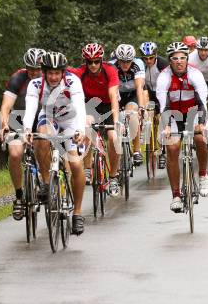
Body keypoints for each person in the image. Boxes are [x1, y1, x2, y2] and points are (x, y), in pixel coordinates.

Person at [23, 51, 87, 235]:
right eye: (49, 73)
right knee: (41, 137)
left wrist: (81, 130)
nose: (53, 77)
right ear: (44, 72)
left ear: (62, 72)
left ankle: (78, 213)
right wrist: (28, 129)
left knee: (75, 164)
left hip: (70, 120)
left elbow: (80, 106)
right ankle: (45, 182)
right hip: (49, 118)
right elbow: (31, 109)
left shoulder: (73, 81)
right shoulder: (35, 84)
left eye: (57, 73)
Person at [156, 42, 208, 213]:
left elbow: (202, 101)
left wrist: (201, 124)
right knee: (172, 147)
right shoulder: (163, 77)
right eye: (175, 59)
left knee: (200, 138)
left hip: (195, 112)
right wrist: (165, 126)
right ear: (170, 61)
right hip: (172, 115)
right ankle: (176, 195)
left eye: (182, 58)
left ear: (187, 59)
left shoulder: (195, 74)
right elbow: (163, 104)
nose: (179, 61)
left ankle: (202, 175)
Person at [69, 43, 121, 197]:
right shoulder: (80, 73)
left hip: (108, 104)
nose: (93, 65)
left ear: (101, 60)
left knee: (113, 137)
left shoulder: (110, 70)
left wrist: (116, 121)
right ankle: (87, 169)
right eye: (89, 62)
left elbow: (113, 97)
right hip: (90, 105)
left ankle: (113, 177)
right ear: (85, 62)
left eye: (96, 61)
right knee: (87, 127)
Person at [0, 48, 45, 221]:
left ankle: (47, 181)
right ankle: (19, 196)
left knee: (43, 145)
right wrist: (4, 125)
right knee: (15, 153)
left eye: (37, 69)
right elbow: (5, 107)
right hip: (18, 120)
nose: (34, 72)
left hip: (41, 119)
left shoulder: (50, 78)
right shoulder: (18, 78)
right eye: (30, 68)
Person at [111, 44, 145, 167]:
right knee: (116, 117)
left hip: (132, 94)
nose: (125, 64)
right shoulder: (112, 66)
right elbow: (111, 89)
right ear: (117, 59)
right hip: (118, 93)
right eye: (122, 61)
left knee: (132, 114)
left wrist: (141, 107)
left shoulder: (138, 64)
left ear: (133, 60)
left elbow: (139, 88)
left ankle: (136, 151)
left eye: (128, 61)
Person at [139, 41, 168, 168]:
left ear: (155, 55)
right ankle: (147, 136)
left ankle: (162, 151)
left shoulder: (162, 64)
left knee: (161, 118)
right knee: (148, 115)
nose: (148, 61)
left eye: (151, 58)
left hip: (162, 91)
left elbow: (168, 81)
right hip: (148, 92)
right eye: (145, 59)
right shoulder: (140, 66)